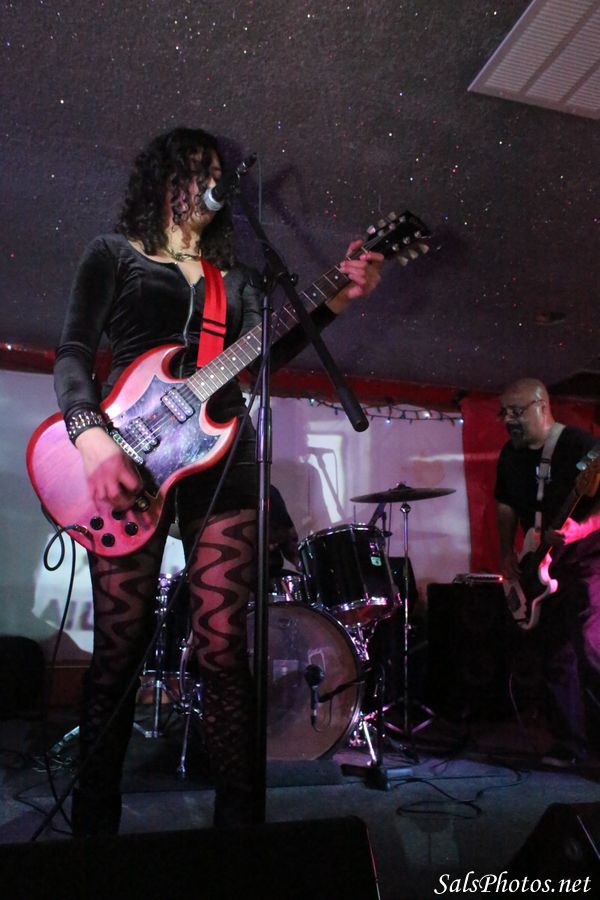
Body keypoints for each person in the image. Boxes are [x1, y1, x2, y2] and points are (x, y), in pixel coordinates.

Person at [53, 126, 383, 834]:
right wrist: (90, 438)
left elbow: (264, 355)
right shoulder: (112, 254)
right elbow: (74, 350)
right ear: (161, 178)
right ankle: (91, 833)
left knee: (225, 646)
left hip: (225, 451)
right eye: (194, 169)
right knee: (119, 650)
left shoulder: (237, 281)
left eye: (215, 173)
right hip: (128, 453)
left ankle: (239, 837)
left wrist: (336, 299)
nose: (208, 182)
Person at [494, 377, 600, 766]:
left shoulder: (581, 447)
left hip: (586, 563)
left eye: (516, 411)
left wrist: (580, 529)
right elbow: (505, 503)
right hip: (540, 563)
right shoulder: (510, 454)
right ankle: (570, 745)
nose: (508, 419)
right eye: (504, 412)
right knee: (554, 653)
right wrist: (506, 551)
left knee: (590, 648)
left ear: (542, 406)